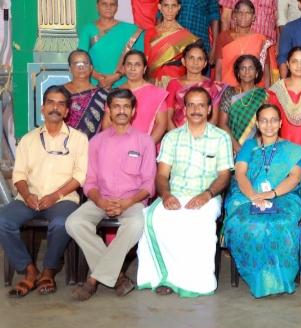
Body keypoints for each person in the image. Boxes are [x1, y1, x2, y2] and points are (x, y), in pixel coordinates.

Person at [137, 87, 233, 297]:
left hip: (207, 196)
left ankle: (194, 282)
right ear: (185, 109)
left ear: (209, 109)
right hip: (175, 194)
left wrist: (206, 195)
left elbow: (224, 175)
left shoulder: (221, 137)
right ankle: (165, 278)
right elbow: (162, 175)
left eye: (201, 105)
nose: (196, 110)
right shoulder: (172, 137)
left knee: (199, 223)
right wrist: (166, 195)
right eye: (191, 105)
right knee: (154, 220)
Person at [66, 89, 156, 301]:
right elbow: (90, 181)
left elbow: (149, 183)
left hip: (132, 201)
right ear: (108, 109)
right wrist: (101, 201)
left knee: (136, 224)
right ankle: (119, 277)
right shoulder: (96, 142)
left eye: (126, 106)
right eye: (116, 106)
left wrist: (128, 202)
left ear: (133, 111)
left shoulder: (145, 142)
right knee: (74, 222)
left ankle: (92, 280)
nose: (121, 111)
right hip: (100, 199)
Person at [0, 86, 88, 298]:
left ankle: (48, 271)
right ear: (42, 108)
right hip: (29, 198)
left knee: (61, 223)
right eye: (50, 102)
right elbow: (19, 174)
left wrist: (55, 196)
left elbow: (80, 176)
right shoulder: (28, 139)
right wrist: (27, 195)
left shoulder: (79, 139)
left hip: (63, 199)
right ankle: (30, 270)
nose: (55, 107)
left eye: (60, 104)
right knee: (3, 220)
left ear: (66, 111)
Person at [223, 104, 301, 298]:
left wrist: (271, 194)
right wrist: (254, 196)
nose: (269, 124)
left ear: (280, 123)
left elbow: (295, 177)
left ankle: (280, 278)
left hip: (283, 195)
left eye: (273, 120)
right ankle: (258, 277)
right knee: (245, 221)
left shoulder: (290, 150)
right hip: (248, 194)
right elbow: (240, 173)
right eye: (264, 120)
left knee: (280, 222)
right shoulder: (249, 146)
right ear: (257, 123)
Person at [78, 0, 145, 89]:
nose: (108, 7)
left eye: (112, 4)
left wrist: (116, 76)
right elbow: (80, 60)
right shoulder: (88, 30)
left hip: (123, 85)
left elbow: (139, 60)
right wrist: (101, 79)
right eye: (104, 4)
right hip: (94, 84)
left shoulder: (131, 31)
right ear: (97, 6)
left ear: (117, 7)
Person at [102, 50, 168, 146]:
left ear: (144, 69)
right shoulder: (116, 93)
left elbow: (162, 125)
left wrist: (146, 148)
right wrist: (116, 146)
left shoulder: (157, 92)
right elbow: (107, 124)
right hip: (117, 147)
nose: (132, 68)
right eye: (129, 64)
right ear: (123, 68)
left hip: (145, 147)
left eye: (137, 65)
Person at [268, 47, 301, 149]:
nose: (299, 65)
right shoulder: (277, 91)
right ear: (288, 64)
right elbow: (271, 124)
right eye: (294, 61)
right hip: (283, 149)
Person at [166, 43, 227, 130]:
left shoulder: (213, 86)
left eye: (200, 59)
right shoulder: (173, 84)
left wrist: (200, 136)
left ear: (205, 63)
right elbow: (168, 118)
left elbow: (214, 119)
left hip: (205, 135)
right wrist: (178, 136)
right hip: (178, 134)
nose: (195, 62)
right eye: (191, 58)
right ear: (183, 61)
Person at [145, 0, 201, 83]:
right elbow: (146, 62)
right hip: (152, 83)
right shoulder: (150, 32)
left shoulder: (187, 37)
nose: (170, 10)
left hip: (176, 83)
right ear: (160, 7)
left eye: (174, 6)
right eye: (166, 5)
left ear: (179, 8)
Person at [215, 0, 272, 89]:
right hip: (228, 90)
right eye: (240, 12)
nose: (243, 16)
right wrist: (219, 92)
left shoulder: (261, 39)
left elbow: (266, 73)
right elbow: (218, 70)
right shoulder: (223, 37)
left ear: (253, 17)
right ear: (234, 15)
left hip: (253, 92)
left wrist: (267, 94)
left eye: (247, 13)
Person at [219, 55, 269, 154]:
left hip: (256, 147)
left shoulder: (264, 95)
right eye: (243, 68)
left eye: (251, 68)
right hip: (231, 146)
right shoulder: (229, 92)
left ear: (256, 73)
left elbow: (266, 125)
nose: (247, 71)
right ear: (238, 73)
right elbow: (222, 124)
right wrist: (236, 147)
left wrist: (254, 146)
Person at [63, 49, 108, 139]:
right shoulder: (60, 92)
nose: (81, 67)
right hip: (64, 144)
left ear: (91, 68)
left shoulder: (103, 95)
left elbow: (107, 127)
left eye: (85, 63)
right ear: (70, 69)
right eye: (76, 64)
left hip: (93, 145)